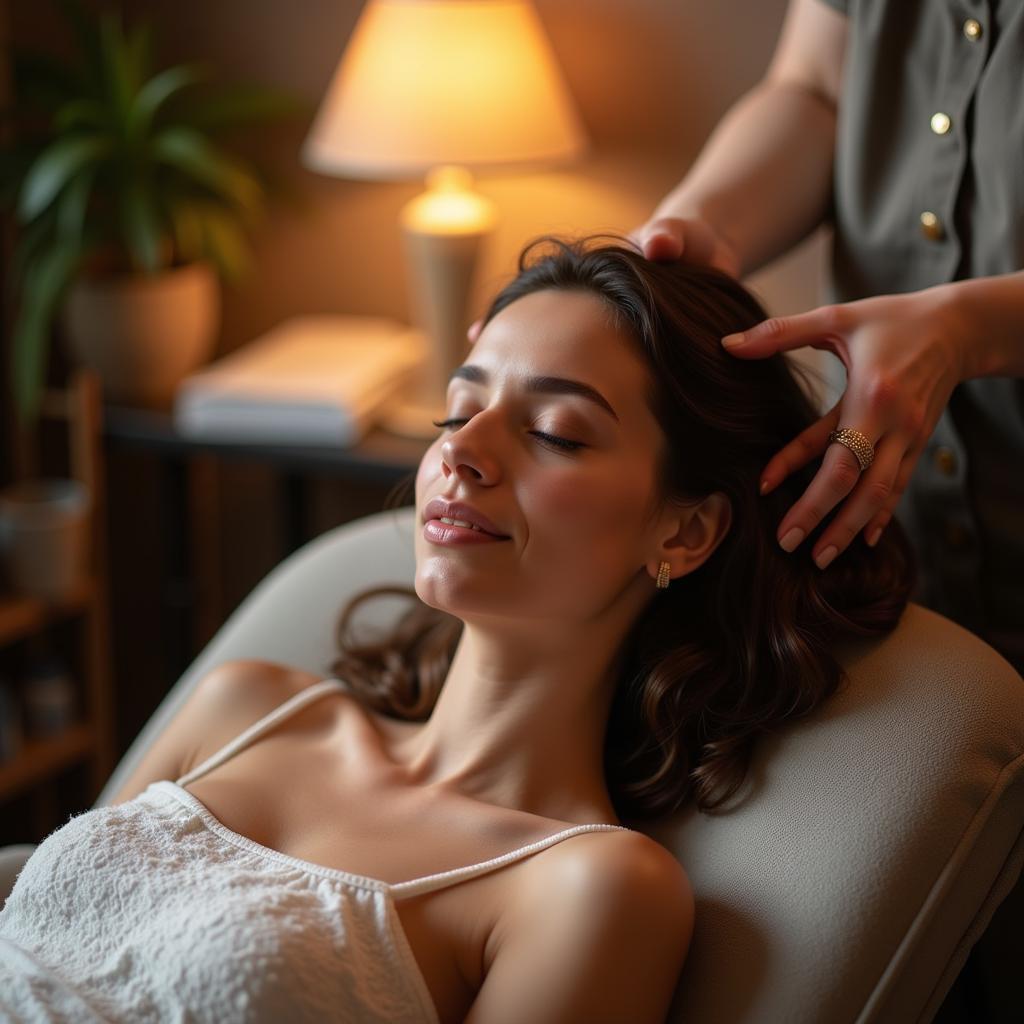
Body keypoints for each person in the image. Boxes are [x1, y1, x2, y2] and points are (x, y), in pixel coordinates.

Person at [0, 237, 914, 1024]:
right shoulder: (247, 704)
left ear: (684, 531)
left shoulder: (588, 890)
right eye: (458, 407)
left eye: (555, 430)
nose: (461, 452)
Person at [630, 0, 1024, 677]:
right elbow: (814, 87)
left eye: (558, 432)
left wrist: (970, 330)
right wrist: (710, 222)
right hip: (895, 578)